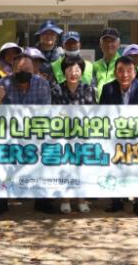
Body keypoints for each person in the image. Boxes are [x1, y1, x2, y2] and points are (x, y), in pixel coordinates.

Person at [0, 53, 53, 214]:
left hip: (35, 133)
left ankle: (42, 201)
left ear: (33, 70)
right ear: (13, 70)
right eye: (20, 70)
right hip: (9, 135)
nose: (24, 72)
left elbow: (46, 112)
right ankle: (1, 202)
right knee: (0, 155)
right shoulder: (2, 83)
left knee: (46, 152)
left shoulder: (42, 84)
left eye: (27, 69)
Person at [100, 56, 138, 217]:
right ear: (115, 73)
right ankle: (116, 201)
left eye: (129, 71)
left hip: (137, 136)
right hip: (115, 137)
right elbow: (102, 114)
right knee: (115, 167)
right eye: (120, 71)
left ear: (135, 73)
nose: (125, 75)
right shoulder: (108, 88)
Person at [50, 55, 97, 214]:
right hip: (62, 135)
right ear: (64, 71)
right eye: (69, 69)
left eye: (77, 69)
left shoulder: (88, 89)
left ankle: (81, 199)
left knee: (81, 167)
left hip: (82, 135)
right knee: (65, 166)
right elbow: (54, 113)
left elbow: (92, 112)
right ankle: (65, 199)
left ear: (82, 72)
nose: (73, 73)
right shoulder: (56, 90)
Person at [93, 27, 122, 102]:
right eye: (106, 41)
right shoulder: (95, 65)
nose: (109, 44)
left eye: (112, 41)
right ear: (100, 44)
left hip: (118, 106)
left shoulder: (124, 64)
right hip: (99, 106)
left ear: (119, 44)